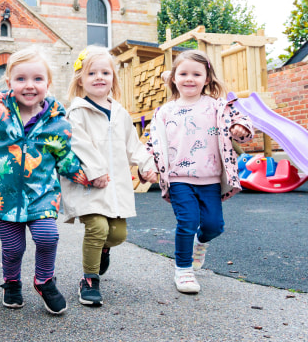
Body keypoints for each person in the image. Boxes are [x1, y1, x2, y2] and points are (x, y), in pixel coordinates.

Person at [0, 47, 96, 315]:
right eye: (21, 79)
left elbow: (64, 155)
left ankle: (43, 280)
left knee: (48, 237)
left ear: (48, 84)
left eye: (37, 79)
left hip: (42, 194)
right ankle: (12, 282)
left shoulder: (57, 123)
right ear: (9, 83)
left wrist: (80, 174)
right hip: (1, 194)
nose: (30, 85)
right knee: (14, 247)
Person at [146, 49, 253, 294]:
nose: (189, 78)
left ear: (207, 79)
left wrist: (238, 127)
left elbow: (244, 122)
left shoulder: (218, 107)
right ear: (174, 78)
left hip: (211, 178)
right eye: (183, 73)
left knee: (214, 226)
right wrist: (149, 167)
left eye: (196, 74)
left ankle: (200, 243)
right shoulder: (165, 111)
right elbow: (153, 143)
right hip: (178, 178)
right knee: (187, 221)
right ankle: (183, 270)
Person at [60, 46, 158, 307]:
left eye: (105, 72)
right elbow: (79, 145)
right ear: (80, 79)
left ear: (113, 78)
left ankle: (103, 250)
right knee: (98, 227)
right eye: (92, 72)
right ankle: (89, 280)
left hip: (115, 186)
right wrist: (95, 173)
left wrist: (146, 165)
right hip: (90, 185)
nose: (99, 77)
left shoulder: (120, 113)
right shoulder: (76, 112)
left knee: (117, 235)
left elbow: (133, 145)